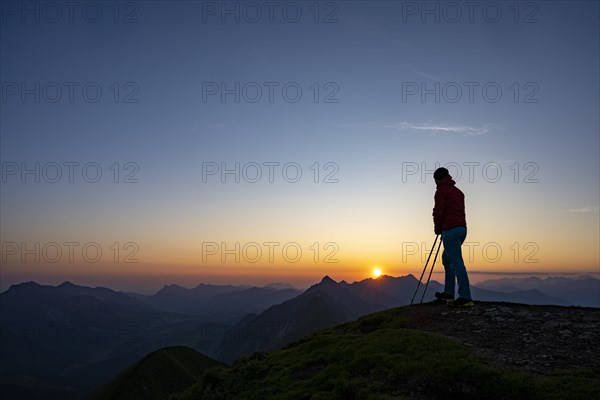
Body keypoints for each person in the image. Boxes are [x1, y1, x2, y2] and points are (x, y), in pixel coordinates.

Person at [432, 167, 474, 307]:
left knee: (456, 262)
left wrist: (438, 229)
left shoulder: (441, 191)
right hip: (462, 229)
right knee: (447, 259)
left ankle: (465, 297)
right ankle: (449, 293)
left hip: (450, 230)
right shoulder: (458, 192)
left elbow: (438, 212)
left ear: (438, 179)